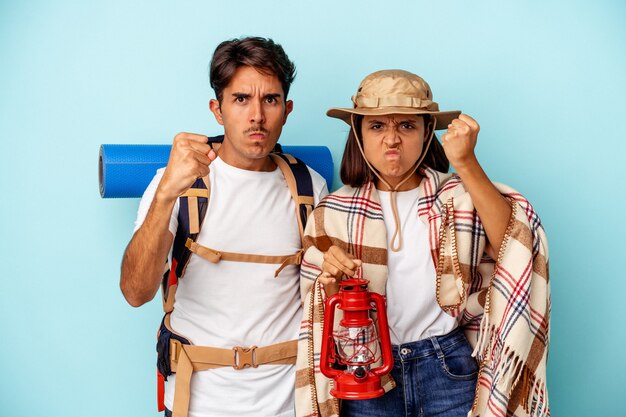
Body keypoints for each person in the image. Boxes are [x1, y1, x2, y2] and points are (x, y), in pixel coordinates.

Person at [295, 70, 550, 417]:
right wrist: (330, 280)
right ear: (358, 132)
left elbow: (515, 245)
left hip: (446, 367)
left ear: (428, 131)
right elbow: (316, 310)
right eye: (377, 126)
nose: (392, 140)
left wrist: (466, 162)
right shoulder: (332, 211)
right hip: (368, 372)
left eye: (407, 126)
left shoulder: (459, 197)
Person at [120, 37, 328, 417]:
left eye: (270, 100)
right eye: (240, 99)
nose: (257, 116)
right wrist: (166, 194)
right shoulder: (176, 182)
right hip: (197, 404)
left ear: (287, 109)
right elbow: (135, 292)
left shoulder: (309, 186)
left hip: (288, 404)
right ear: (217, 110)